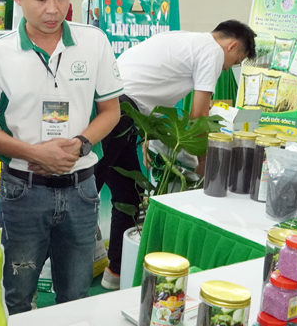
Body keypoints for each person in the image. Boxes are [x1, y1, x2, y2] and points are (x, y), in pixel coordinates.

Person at [0, 0, 122, 314]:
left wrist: (82, 143)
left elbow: (111, 111)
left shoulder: (94, 42)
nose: (53, 9)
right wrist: (35, 153)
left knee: (76, 294)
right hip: (24, 190)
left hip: (82, 189)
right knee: (16, 296)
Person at [94, 21, 256, 290]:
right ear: (233, 45)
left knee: (128, 194)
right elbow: (199, 115)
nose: (228, 68)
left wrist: (148, 134)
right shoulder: (213, 51)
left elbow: (156, 89)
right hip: (120, 112)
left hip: (116, 107)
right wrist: (203, 161)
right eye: (236, 61)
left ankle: (116, 273)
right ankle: (59, 275)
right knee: (87, 194)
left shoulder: (185, 39)